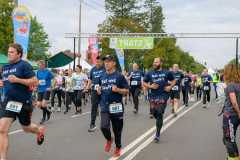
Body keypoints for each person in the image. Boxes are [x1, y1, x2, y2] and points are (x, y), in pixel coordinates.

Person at [0, 44, 44, 160]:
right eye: (8, 51)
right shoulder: (4, 67)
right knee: (2, 129)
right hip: (8, 102)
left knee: (26, 128)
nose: (8, 54)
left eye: (12, 52)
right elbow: (6, 81)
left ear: (19, 54)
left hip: (23, 102)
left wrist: (17, 80)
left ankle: (40, 131)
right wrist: (3, 83)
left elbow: (35, 82)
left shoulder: (24, 65)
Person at [98, 55, 129, 157]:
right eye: (105, 62)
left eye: (109, 61)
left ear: (114, 63)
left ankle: (118, 147)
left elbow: (127, 90)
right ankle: (108, 139)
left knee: (117, 130)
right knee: (103, 126)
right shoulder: (101, 76)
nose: (106, 63)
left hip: (116, 106)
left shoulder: (119, 76)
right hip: (105, 105)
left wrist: (118, 90)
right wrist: (98, 91)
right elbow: (100, 88)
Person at [143, 57, 176, 141]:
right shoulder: (150, 73)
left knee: (160, 113)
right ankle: (159, 121)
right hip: (153, 97)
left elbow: (174, 80)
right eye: (154, 62)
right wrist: (151, 86)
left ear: (161, 63)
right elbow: (144, 83)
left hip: (163, 96)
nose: (154, 63)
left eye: (156, 62)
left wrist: (170, 86)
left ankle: (157, 133)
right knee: (155, 114)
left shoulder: (167, 72)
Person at [222, 64, 240, 160]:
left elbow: (233, 101)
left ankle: (233, 158)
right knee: (227, 138)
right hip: (234, 115)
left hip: (230, 115)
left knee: (230, 139)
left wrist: (239, 112)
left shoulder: (231, 85)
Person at [86, 56, 106, 132]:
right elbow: (90, 79)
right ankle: (92, 124)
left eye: (99, 62)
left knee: (104, 107)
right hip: (94, 90)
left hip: (103, 90)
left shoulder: (104, 69)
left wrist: (101, 87)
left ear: (101, 62)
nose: (97, 64)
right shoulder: (93, 69)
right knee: (94, 106)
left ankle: (106, 122)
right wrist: (87, 87)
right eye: (96, 62)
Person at [36, 60, 57, 124]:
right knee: (39, 105)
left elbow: (55, 80)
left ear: (44, 65)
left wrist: (51, 87)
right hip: (40, 90)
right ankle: (48, 112)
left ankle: (44, 119)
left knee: (43, 104)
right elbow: (37, 80)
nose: (40, 67)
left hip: (46, 89)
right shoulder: (38, 71)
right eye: (39, 66)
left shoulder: (48, 72)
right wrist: (35, 87)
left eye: (40, 66)